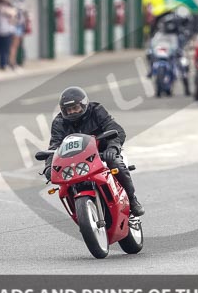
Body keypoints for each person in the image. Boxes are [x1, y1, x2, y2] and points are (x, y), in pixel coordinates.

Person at [44, 87, 145, 216]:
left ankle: (132, 200)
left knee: (116, 163)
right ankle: (78, 211)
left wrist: (112, 147)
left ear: (84, 105)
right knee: (64, 183)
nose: (72, 112)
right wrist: (49, 166)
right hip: (75, 160)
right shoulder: (59, 122)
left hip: (102, 152)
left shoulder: (96, 110)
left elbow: (116, 129)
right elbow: (54, 147)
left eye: (75, 108)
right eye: (68, 110)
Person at [0, 0, 17, 70]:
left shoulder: (10, 6)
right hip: (1, 30)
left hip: (9, 30)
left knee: (7, 48)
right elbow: (9, 13)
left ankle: (7, 63)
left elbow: (14, 14)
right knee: (1, 48)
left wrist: (12, 14)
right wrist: (10, 13)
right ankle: (2, 64)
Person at [7, 0, 28, 70]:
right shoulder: (8, 1)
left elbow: (25, 12)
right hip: (13, 25)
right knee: (13, 45)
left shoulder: (21, 0)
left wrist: (25, 23)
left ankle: (19, 60)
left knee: (19, 44)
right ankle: (12, 62)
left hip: (20, 24)